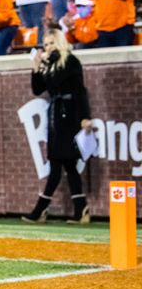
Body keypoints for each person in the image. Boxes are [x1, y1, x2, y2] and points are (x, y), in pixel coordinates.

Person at [23, 29, 92, 224]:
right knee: (68, 164)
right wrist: (36, 68)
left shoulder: (70, 61)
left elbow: (80, 90)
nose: (48, 47)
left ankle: (41, 209)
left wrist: (85, 117)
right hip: (55, 115)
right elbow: (38, 89)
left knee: (57, 162)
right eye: (45, 44)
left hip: (68, 115)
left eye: (52, 43)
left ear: (60, 42)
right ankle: (81, 208)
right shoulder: (50, 64)